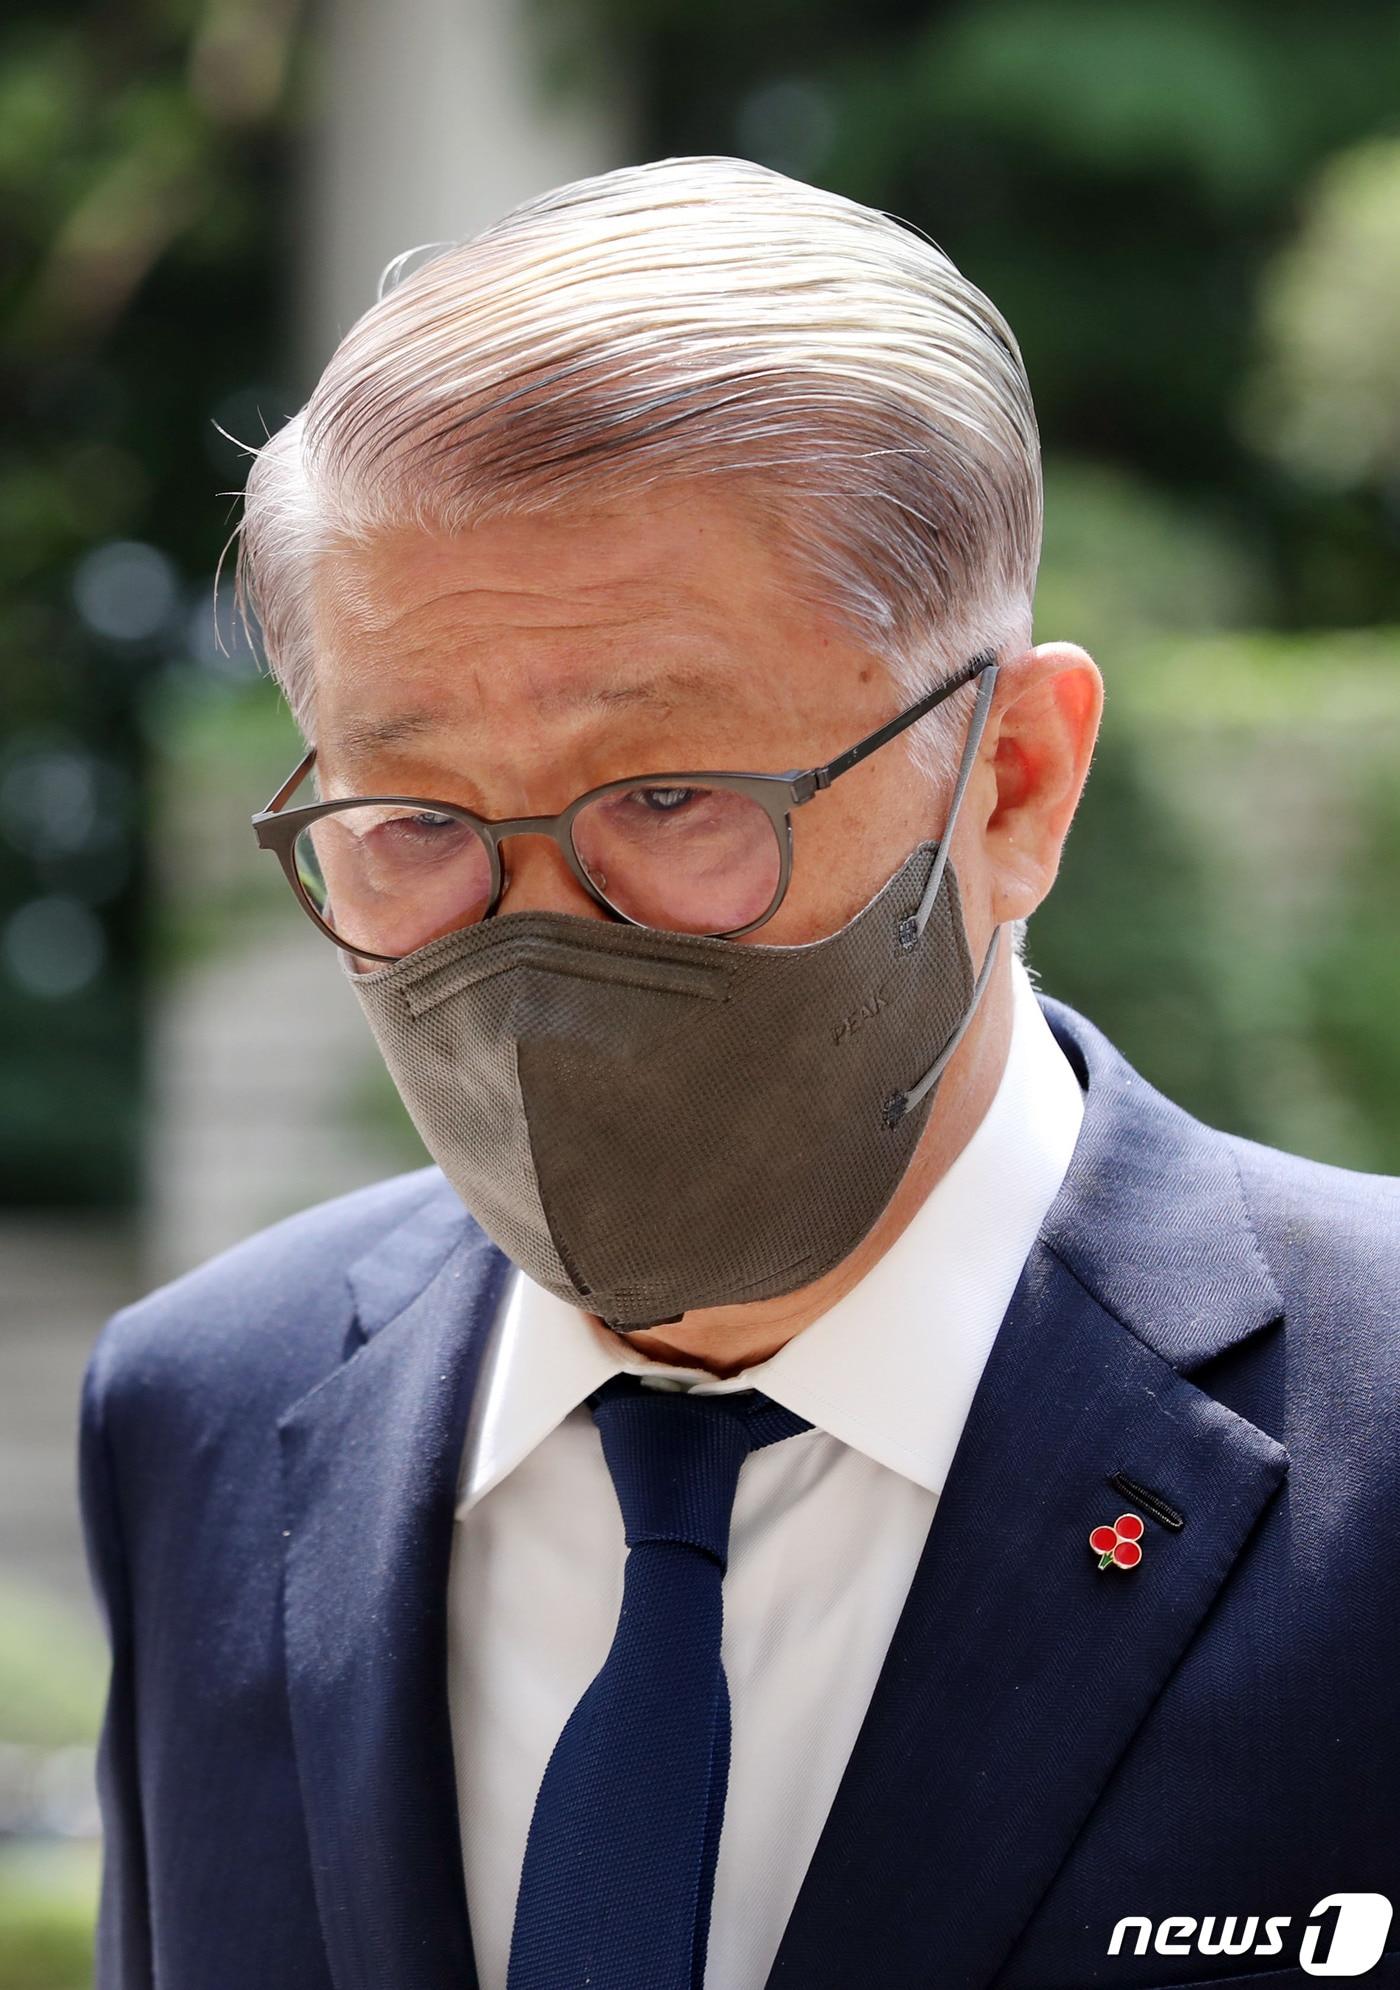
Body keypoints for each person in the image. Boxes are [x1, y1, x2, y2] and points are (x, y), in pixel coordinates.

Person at [78, 155, 1399, 1990]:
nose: (531, 942)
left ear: (1013, 781)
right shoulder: (202, 1417)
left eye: (671, 794)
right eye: (412, 818)